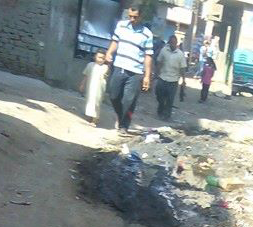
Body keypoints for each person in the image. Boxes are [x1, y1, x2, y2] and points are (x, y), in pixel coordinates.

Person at [104, 2, 153, 134]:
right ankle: (120, 116)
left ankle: (124, 126)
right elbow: (115, 41)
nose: (132, 19)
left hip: (135, 72)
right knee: (113, 96)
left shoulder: (147, 34)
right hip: (119, 67)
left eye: (135, 17)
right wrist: (109, 53)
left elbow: (148, 56)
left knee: (128, 100)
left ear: (141, 16)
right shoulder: (121, 26)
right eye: (130, 16)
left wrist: (147, 76)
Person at [156, 34, 186, 121]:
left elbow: (183, 68)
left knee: (170, 99)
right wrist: (156, 73)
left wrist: (183, 80)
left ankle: (167, 115)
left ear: (176, 43)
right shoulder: (164, 50)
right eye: (171, 43)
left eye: (174, 43)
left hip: (173, 80)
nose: (173, 44)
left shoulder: (180, 54)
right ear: (169, 43)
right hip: (162, 78)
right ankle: (160, 110)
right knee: (159, 96)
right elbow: (159, 61)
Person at [79, 50, 109, 125]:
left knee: (97, 103)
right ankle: (89, 116)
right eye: (99, 57)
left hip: (99, 89)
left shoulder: (105, 67)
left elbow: (105, 75)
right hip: (90, 87)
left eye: (103, 58)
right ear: (95, 57)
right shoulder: (90, 65)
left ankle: (95, 119)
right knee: (89, 101)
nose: (101, 60)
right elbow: (86, 75)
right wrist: (82, 84)